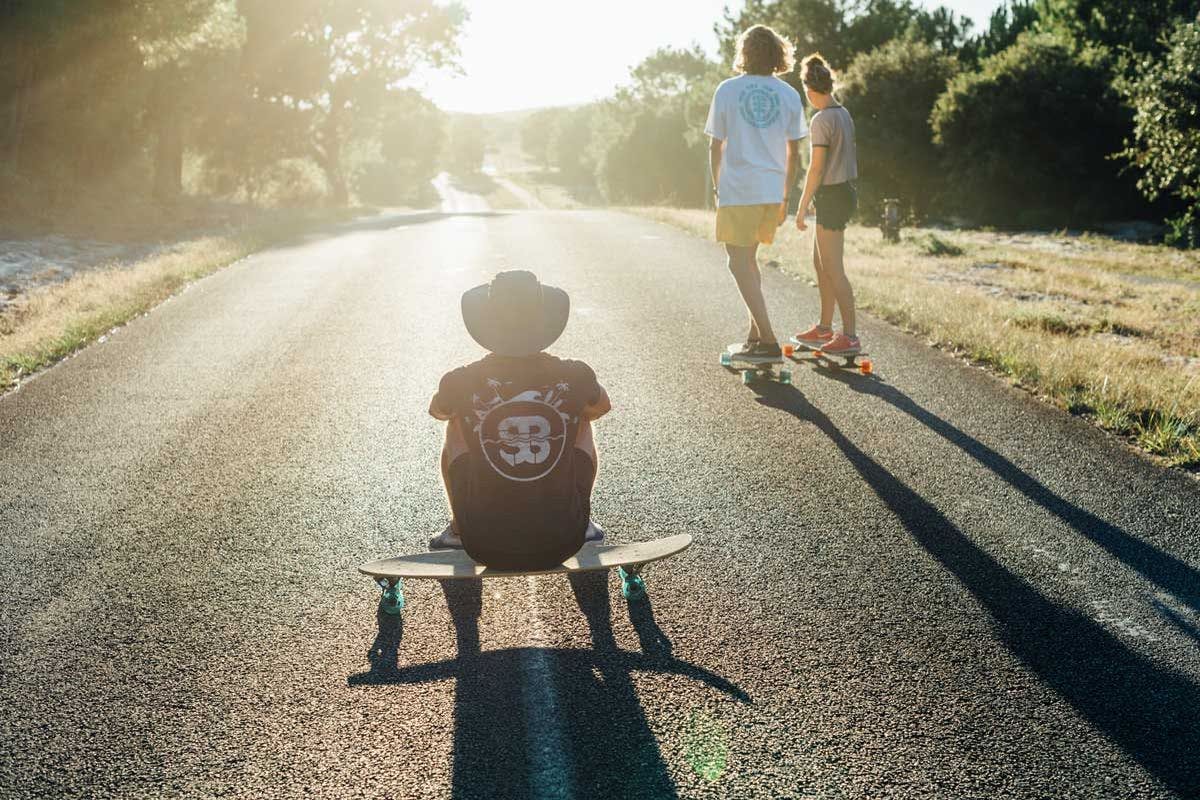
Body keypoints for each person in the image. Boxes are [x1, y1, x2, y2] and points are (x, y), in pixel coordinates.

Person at [427, 270, 610, 571]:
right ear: (543, 320)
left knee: (456, 422)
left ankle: (459, 529)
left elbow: (439, 412)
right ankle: (583, 518)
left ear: (487, 322)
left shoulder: (460, 379)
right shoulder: (575, 373)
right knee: (582, 418)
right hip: (566, 539)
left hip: (482, 543)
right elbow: (602, 406)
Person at [705, 24, 808, 361]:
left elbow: (715, 146)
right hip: (771, 191)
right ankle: (754, 338)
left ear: (744, 53)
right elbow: (795, 153)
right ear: (779, 54)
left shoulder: (728, 90)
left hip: (740, 189)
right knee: (748, 260)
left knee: (737, 263)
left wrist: (718, 188)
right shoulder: (790, 95)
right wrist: (786, 196)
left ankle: (767, 340)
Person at [793, 53, 861, 357]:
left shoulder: (820, 119)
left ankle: (850, 336)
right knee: (821, 264)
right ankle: (824, 328)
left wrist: (802, 204)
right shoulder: (843, 113)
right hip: (842, 192)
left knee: (833, 268)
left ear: (809, 91)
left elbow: (816, 168)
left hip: (832, 195)